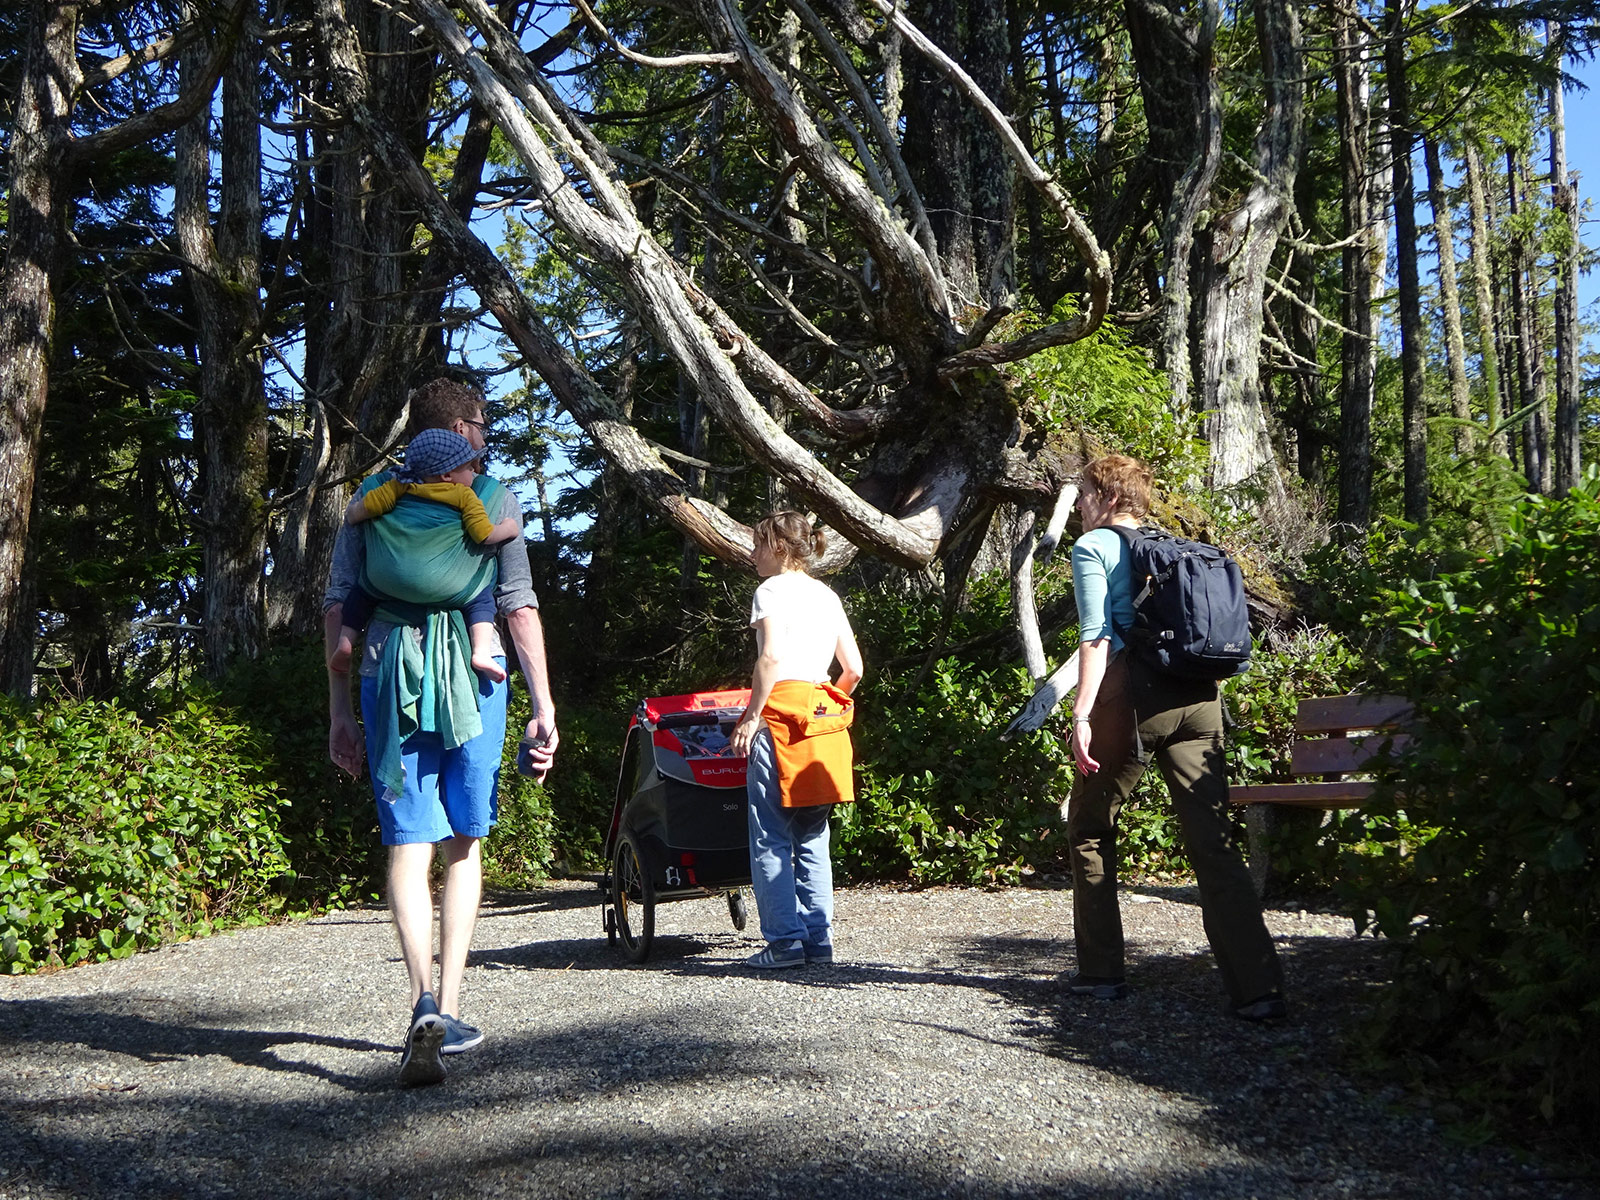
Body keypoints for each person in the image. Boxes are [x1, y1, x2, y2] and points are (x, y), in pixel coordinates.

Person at [324, 378, 558, 1086]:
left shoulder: (371, 499)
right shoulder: (490, 497)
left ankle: (420, 1000)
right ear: (460, 431)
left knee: (407, 845)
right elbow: (517, 607)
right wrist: (544, 705)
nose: (487, 437)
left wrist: (339, 710)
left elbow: (339, 606)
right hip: (474, 678)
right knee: (463, 843)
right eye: (481, 426)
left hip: (387, 675)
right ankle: (448, 1008)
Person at [1063, 454, 1285, 1020]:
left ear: (1108, 497)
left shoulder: (1095, 549)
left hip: (1132, 700)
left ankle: (1101, 974)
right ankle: (1258, 988)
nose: (1080, 506)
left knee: (1090, 828)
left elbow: (1095, 637)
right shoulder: (1176, 548)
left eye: (1086, 494)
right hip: (1202, 699)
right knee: (1212, 841)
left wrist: (1082, 715)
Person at [728, 512, 864, 969]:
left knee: (770, 836)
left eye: (757, 544)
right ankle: (817, 941)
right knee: (813, 835)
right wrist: (822, 706)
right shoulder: (827, 594)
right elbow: (854, 670)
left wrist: (750, 717)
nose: (752, 554)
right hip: (822, 722)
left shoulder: (770, 591)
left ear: (780, 548)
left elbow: (770, 657)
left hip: (779, 719)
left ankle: (784, 943)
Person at [332, 428, 521, 685]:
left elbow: (370, 507)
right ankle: (480, 652)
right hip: (449, 586)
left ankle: (344, 642)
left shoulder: (400, 485)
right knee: (482, 599)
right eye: (468, 467)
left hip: (387, 579)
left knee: (361, 593)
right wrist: (508, 528)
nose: (474, 472)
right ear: (447, 475)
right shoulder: (465, 494)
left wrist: (354, 514)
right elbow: (483, 534)